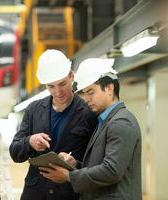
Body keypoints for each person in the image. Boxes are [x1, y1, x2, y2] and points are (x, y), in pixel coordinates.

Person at [39, 58, 142, 200]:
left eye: (91, 92)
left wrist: (69, 176)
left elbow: (111, 171)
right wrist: (75, 164)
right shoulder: (105, 121)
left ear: (109, 88)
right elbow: (99, 165)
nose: (86, 99)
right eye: (84, 93)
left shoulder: (121, 122)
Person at [9, 49, 97, 200]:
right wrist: (29, 142)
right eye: (51, 86)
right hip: (35, 193)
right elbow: (15, 152)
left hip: (68, 194)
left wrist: (75, 163)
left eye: (62, 84)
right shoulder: (34, 110)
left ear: (71, 76)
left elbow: (95, 163)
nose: (58, 92)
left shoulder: (88, 112)